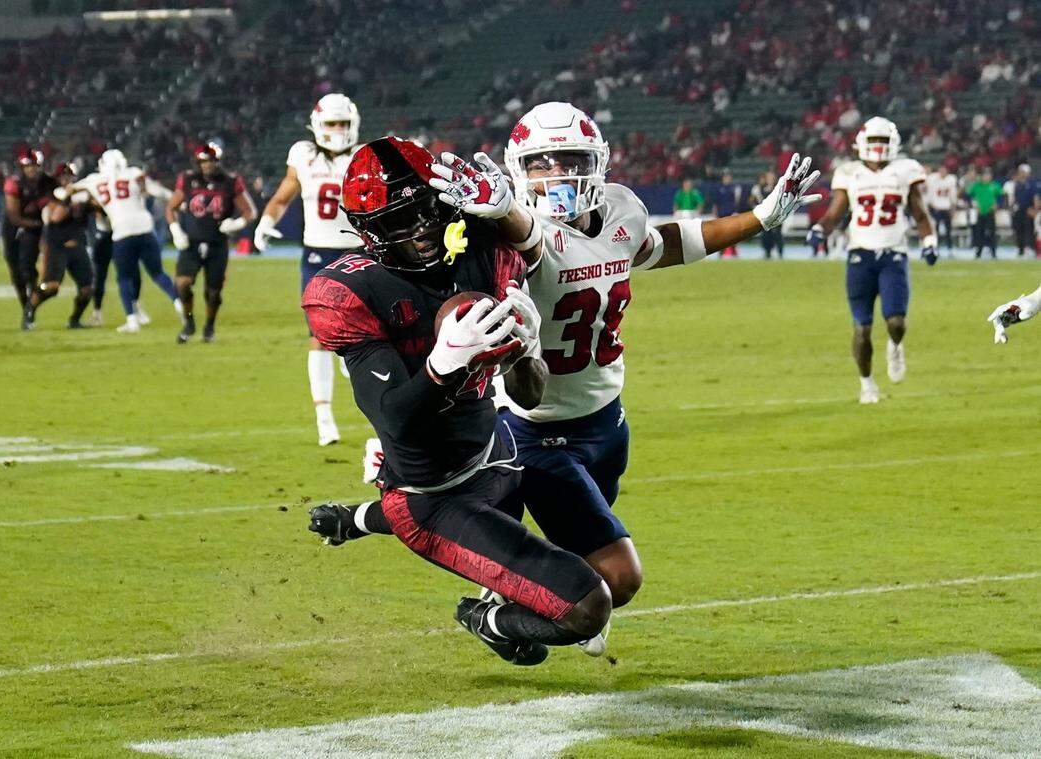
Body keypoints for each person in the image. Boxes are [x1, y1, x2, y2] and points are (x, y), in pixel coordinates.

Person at [312, 104, 819, 658]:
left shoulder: (621, 210)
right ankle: (497, 616)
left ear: (599, 162)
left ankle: (364, 519)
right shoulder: (510, 234)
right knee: (610, 581)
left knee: (570, 555)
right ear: (515, 172)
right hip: (533, 426)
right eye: (541, 165)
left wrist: (760, 219)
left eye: (572, 161)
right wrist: (502, 213)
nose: (558, 176)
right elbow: (526, 238)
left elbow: (660, 245)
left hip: (605, 414)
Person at [303, 136, 608, 666]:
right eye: (399, 221)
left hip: (496, 448)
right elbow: (393, 417)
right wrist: (442, 366)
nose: (420, 229)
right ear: (370, 232)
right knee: (587, 606)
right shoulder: (349, 290)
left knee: (605, 562)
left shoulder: (486, 252)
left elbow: (529, 395)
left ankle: (354, 520)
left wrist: (524, 351)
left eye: (426, 209)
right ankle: (484, 618)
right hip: (433, 494)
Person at [254, 93, 362, 446]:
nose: (337, 130)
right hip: (317, 254)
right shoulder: (302, 155)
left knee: (364, 336)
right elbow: (284, 194)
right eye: (331, 123)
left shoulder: (365, 157)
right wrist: (266, 220)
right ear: (317, 125)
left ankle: (360, 383)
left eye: (342, 124)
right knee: (319, 338)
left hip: (360, 252)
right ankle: (324, 416)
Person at [807, 116, 937, 404]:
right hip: (860, 255)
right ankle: (866, 384)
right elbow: (835, 213)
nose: (878, 147)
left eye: (883, 141)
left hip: (893, 255)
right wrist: (819, 230)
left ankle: (895, 345)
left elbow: (920, 214)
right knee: (862, 328)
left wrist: (929, 242)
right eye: (874, 141)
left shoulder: (905, 171)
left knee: (896, 322)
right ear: (862, 143)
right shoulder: (850, 173)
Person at [75, 149, 182, 333]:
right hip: (145, 228)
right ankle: (180, 304)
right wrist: (175, 199)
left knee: (124, 278)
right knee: (157, 273)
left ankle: (132, 321)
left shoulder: (94, 180)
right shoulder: (134, 173)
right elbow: (156, 190)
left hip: (122, 232)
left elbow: (67, 193)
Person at [166, 142, 256, 343]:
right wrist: (175, 230)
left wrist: (236, 223)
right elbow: (170, 208)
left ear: (218, 161)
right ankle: (189, 323)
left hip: (217, 243)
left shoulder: (230, 181)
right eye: (203, 161)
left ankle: (209, 327)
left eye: (211, 161)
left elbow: (250, 211)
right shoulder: (188, 179)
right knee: (182, 284)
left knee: (213, 293)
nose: (207, 165)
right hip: (191, 242)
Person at [22, 163, 95, 330]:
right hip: (56, 246)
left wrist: (92, 197)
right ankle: (29, 311)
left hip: (77, 246)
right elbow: (56, 217)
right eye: (63, 176)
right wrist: (68, 197)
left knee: (87, 288)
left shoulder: (81, 196)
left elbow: (97, 209)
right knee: (51, 287)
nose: (66, 180)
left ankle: (74, 320)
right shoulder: (52, 196)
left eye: (69, 176)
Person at [1, 149, 57, 310]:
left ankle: (30, 308)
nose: (31, 169)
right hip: (14, 227)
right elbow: (14, 217)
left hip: (34, 229)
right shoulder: (14, 183)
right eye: (28, 166)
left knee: (28, 269)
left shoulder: (48, 181)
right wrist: (40, 224)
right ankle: (25, 304)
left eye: (34, 166)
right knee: (16, 271)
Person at [966, 168, 1001, 259]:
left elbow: (1002, 196)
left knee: (991, 233)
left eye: (988, 175)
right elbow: (967, 195)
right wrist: (974, 205)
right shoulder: (976, 186)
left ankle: (993, 252)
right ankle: (978, 252)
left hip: (990, 212)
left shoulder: (995, 186)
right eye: (984, 175)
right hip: (980, 212)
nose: (986, 177)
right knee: (979, 233)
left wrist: (997, 205)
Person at [924, 164, 958, 256]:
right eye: (941, 171)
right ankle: (935, 249)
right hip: (936, 208)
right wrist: (931, 205)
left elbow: (953, 196)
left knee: (948, 231)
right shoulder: (932, 179)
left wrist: (953, 209)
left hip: (946, 209)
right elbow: (928, 191)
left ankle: (949, 250)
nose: (942, 173)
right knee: (935, 231)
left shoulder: (951, 180)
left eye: (944, 171)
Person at [749, 171, 784, 258]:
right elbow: (754, 200)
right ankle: (767, 251)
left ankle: (780, 252)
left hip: (777, 215)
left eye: (771, 177)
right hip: (766, 216)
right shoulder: (761, 188)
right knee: (766, 235)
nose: (770, 179)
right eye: (768, 178)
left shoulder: (779, 187)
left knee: (777, 234)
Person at [710, 171, 744, 257]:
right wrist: (715, 214)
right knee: (721, 235)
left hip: (731, 214)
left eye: (728, 177)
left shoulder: (733, 188)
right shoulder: (719, 188)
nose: (727, 178)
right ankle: (721, 252)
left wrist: (736, 212)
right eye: (726, 177)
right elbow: (715, 203)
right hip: (722, 214)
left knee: (733, 234)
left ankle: (734, 251)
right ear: (723, 178)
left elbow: (737, 201)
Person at [1007, 164, 1037, 257]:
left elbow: (1036, 197)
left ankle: (1030, 248)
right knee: (1019, 229)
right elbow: (1015, 198)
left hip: (1029, 208)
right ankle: (1020, 249)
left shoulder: (1032, 183)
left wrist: (1034, 209)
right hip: (1019, 209)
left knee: (1029, 229)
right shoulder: (1017, 184)